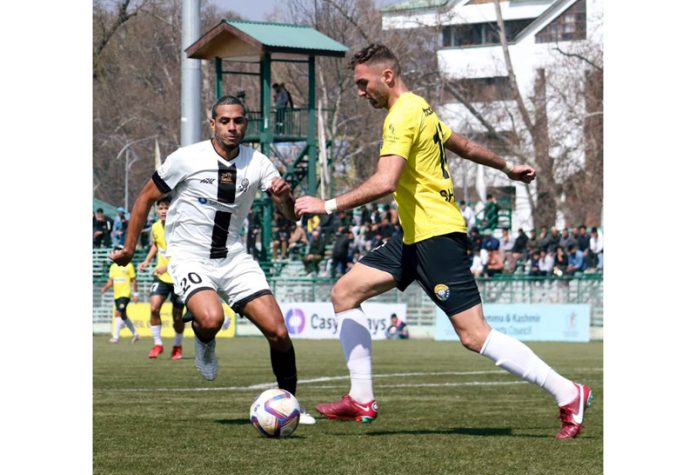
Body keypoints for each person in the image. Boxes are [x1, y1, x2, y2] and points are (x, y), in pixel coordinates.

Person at [294, 44, 591, 439]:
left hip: (436, 236)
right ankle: (361, 398)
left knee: (474, 334)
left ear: (387, 77)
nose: (360, 92)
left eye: (363, 84)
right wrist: (506, 167)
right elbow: (463, 146)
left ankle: (569, 392)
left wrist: (326, 205)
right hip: (415, 237)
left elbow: (386, 182)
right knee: (344, 294)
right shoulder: (420, 106)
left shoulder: (402, 115)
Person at [110, 95, 315, 424]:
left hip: (233, 258)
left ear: (245, 123)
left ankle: (290, 404)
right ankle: (205, 342)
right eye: (225, 121)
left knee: (278, 332)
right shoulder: (186, 159)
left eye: (238, 121)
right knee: (210, 319)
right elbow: (145, 197)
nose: (232, 127)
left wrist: (284, 198)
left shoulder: (258, 163)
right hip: (190, 257)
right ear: (213, 124)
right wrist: (130, 248)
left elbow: (290, 216)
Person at [138, 195, 186, 360]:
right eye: (161, 208)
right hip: (162, 278)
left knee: (177, 317)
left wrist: (166, 266)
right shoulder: (155, 227)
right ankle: (158, 344)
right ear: (157, 211)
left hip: (178, 277)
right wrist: (146, 261)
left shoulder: (179, 227)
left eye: (167, 208)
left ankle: (177, 346)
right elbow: (156, 245)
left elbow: (183, 252)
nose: (164, 211)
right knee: (154, 308)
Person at [101, 245, 140, 344]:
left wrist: (136, 294)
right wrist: (105, 288)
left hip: (125, 294)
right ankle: (136, 334)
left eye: (118, 251)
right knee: (123, 315)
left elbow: (134, 280)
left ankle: (116, 337)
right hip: (117, 295)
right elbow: (110, 282)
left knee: (117, 313)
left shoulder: (129, 265)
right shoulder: (113, 267)